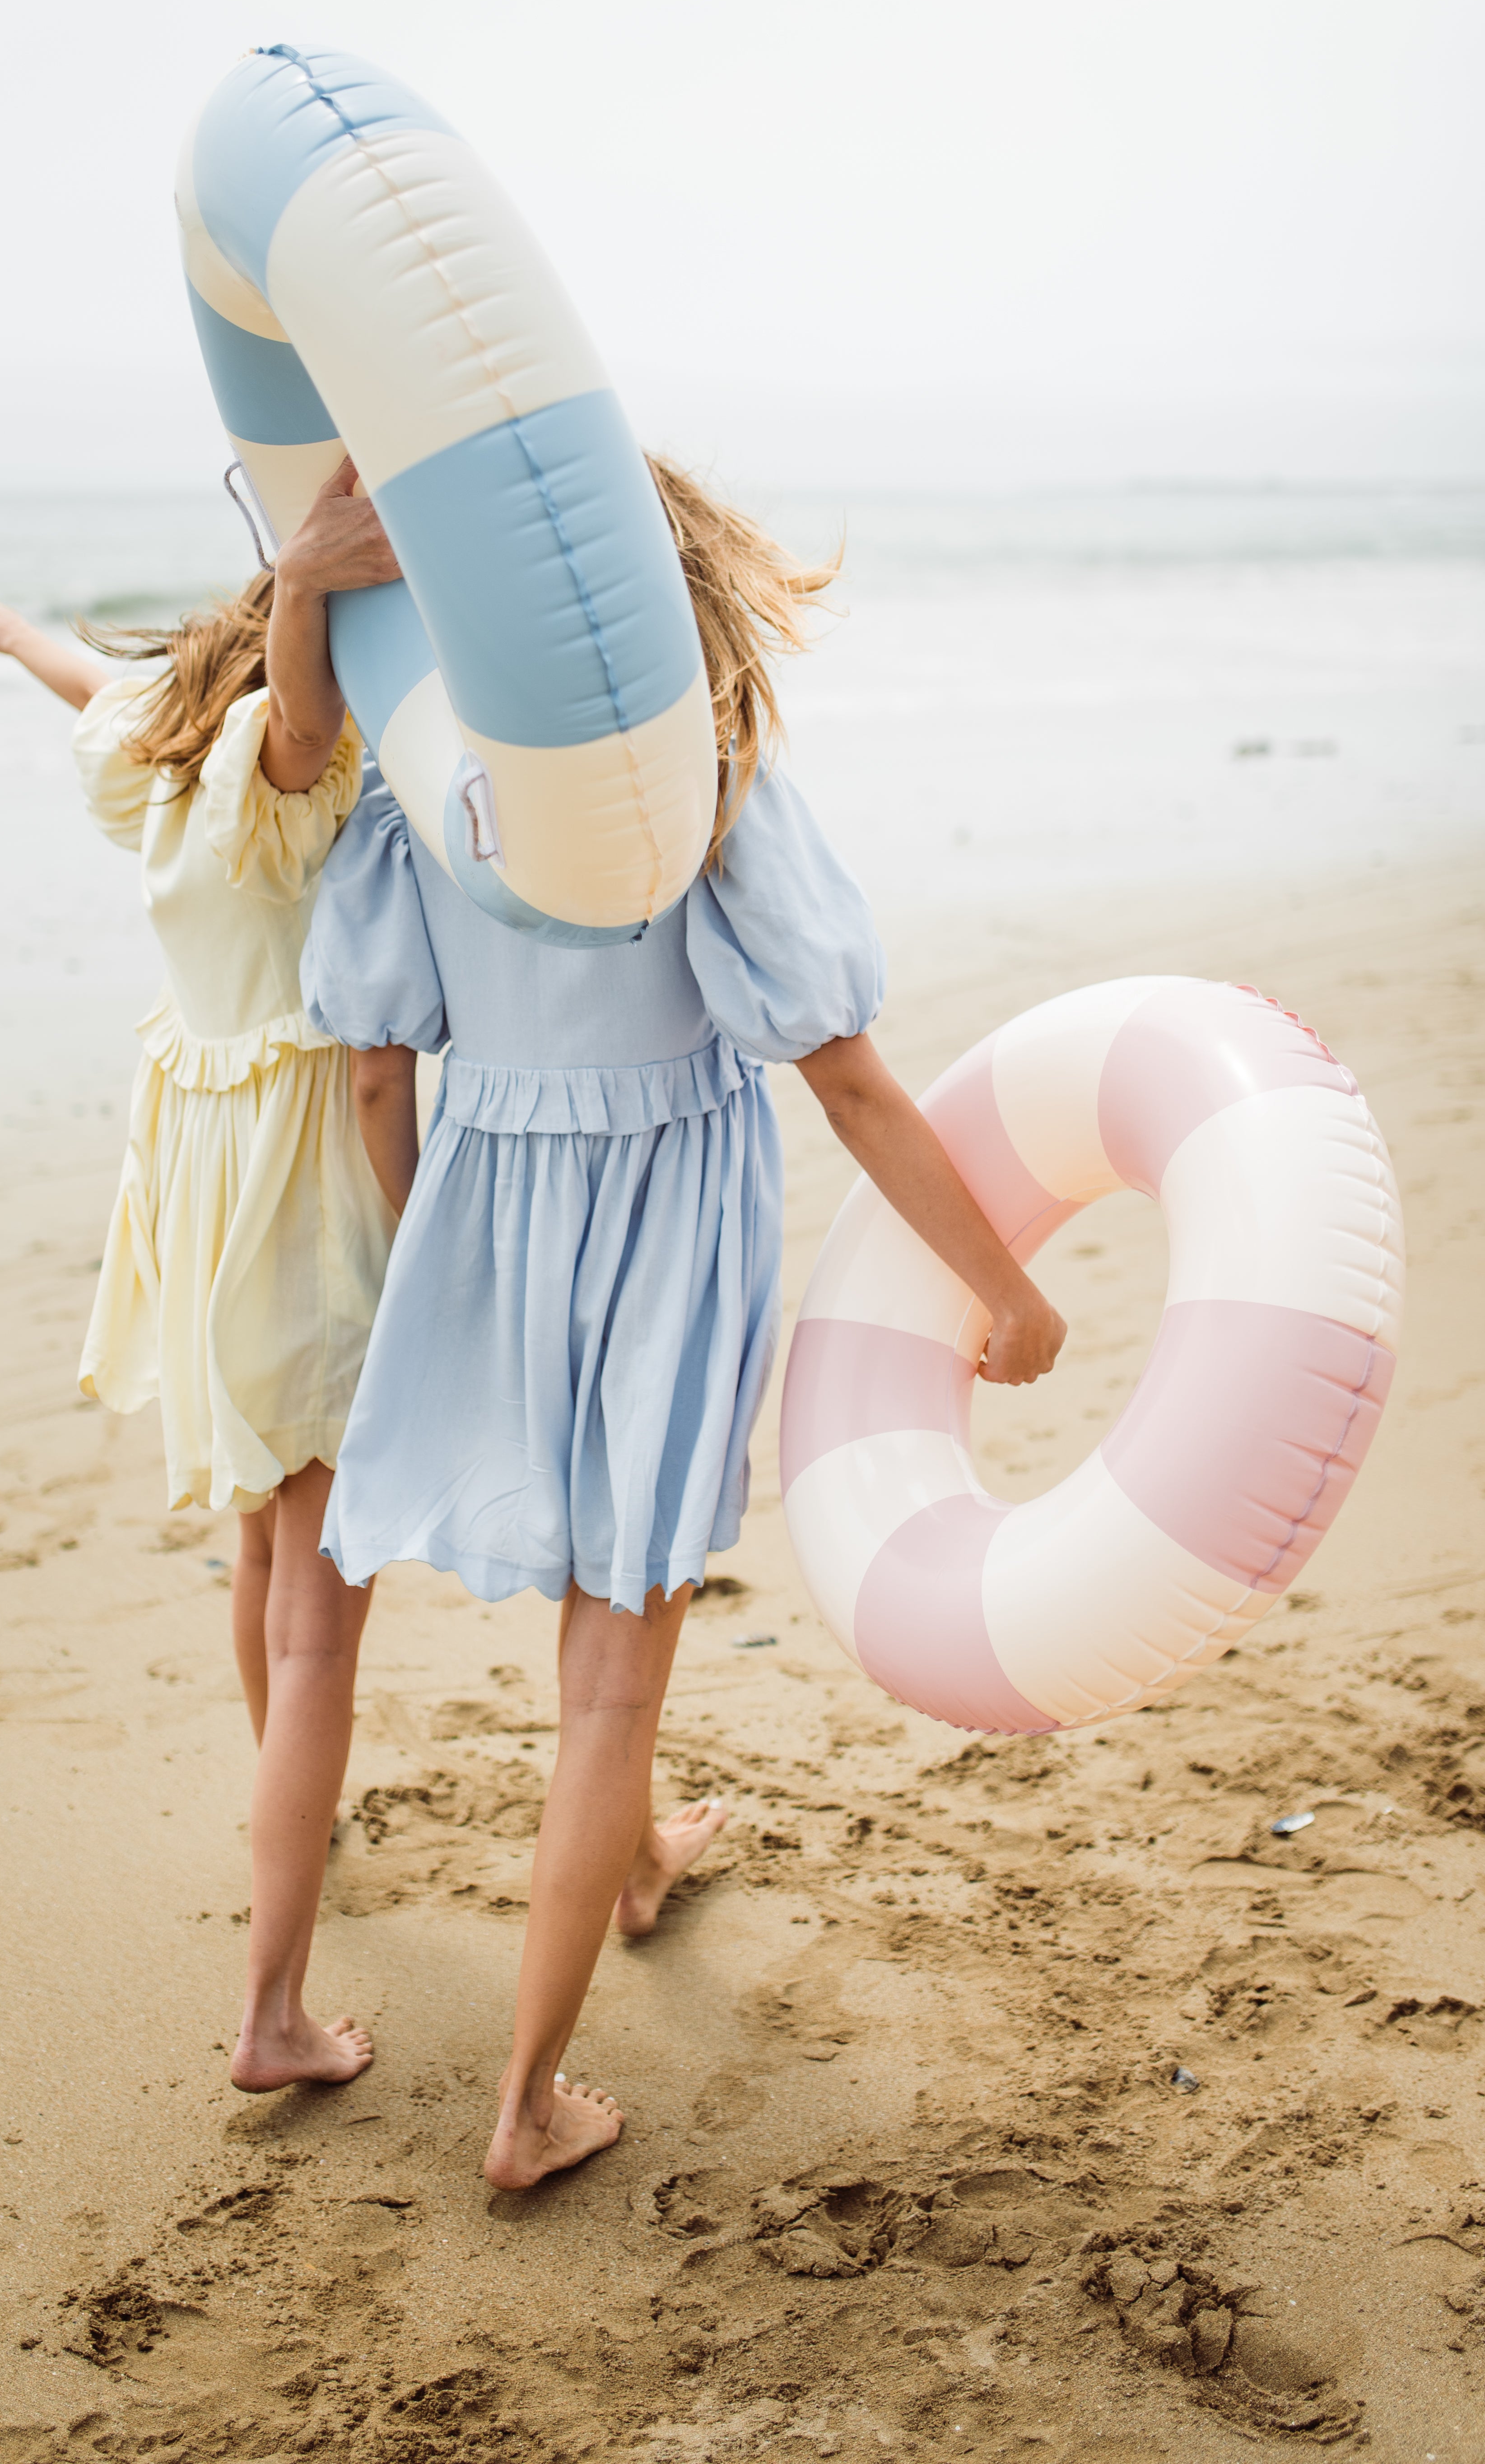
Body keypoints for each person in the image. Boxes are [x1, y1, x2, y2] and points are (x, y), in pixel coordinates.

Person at [299, 458, 1067, 2187]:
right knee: (610, 1677)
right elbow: (848, 1080)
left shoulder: (421, 781)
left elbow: (368, 1069)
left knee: (582, 1609)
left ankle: (640, 1858)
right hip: (659, 1217)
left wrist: (445, 1252)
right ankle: (525, 2106)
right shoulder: (698, 783)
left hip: (486, 1204)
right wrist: (1003, 1291)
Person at [0, 460, 417, 2091]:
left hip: (199, 1186)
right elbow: (298, 714)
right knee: (320, 1627)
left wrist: (12, 634)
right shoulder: (286, 782)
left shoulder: (157, 768)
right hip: (299, 1186)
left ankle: (295, 1809)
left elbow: (103, 690)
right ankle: (274, 2013)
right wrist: (306, 574)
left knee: (257, 1550)